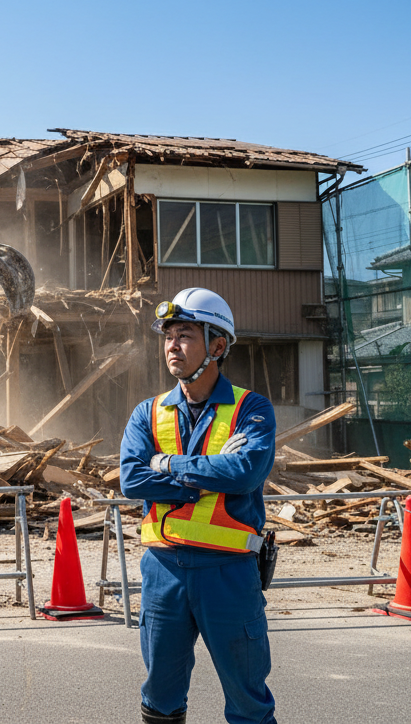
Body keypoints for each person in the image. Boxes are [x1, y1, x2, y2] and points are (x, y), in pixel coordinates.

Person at [119, 287, 277, 724]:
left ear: (218, 346)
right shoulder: (147, 413)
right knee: (160, 696)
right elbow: (132, 479)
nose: (172, 346)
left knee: (248, 701)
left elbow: (245, 473)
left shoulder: (251, 408)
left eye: (185, 336)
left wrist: (168, 464)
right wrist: (205, 480)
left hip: (228, 572)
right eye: (168, 336)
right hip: (163, 571)